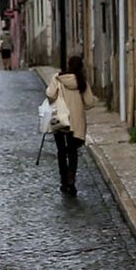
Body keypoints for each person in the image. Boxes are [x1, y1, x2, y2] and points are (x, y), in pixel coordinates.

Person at [46, 55, 90, 196]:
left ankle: (63, 181)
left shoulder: (58, 78)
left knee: (61, 151)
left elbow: (50, 94)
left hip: (60, 120)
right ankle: (71, 180)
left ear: (68, 65)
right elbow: (90, 102)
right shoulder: (82, 82)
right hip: (75, 121)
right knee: (72, 152)